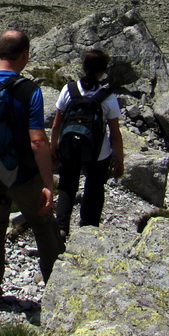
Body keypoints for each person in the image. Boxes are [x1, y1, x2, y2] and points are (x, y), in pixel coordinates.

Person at [0, 29, 64, 309]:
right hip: (22, 174)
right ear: (25, 55)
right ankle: (60, 286)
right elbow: (37, 141)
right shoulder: (30, 91)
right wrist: (48, 183)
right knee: (43, 224)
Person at [50, 49, 124, 240]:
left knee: (67, 186)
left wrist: (53, 148)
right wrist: (120, 160)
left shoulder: (69, 90)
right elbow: (115, 134)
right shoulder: (108, 97)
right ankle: (88, 230)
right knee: (95, 187)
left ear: (83, 67)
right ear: (102, 72)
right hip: (98, 153)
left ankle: (61, 227)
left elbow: (56, 124)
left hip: (69, 149)